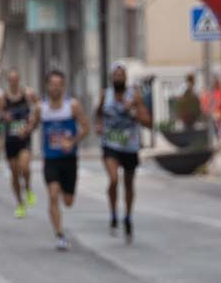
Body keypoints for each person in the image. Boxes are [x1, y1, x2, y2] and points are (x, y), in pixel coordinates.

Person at [28, 70, 91, 251]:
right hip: (51, 159)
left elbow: (86, 127)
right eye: (52, 84)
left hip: (69, 159)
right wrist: (26, 129)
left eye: (58, 85)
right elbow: (32, 125)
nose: (55, 88)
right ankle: (59, 235)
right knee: (53, 195)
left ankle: (65, 188)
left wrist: (72, 141)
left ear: (63, 87)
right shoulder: (42, 108)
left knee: (69, 202)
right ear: (47, 86)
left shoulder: (72, 106)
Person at [97, 63, 151, 243]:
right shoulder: (105, 95)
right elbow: (97, 113)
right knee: (113, 179)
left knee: (128, 184)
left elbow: (148, 122)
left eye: (121, 75)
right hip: (110, 143)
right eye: (115, 75)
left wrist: (133, 111)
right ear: (111, 78)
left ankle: (127, 216)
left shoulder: (134, 96)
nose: (118, 78)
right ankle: (113, 213)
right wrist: (98, 124)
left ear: (126, 78)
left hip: (130, 145)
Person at [0, 69, 38, 218]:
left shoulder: (28, 94)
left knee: (25, 168)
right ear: (8, 81)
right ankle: (20, 204)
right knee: (14, 174)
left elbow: (39, 109)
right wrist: (2, 116)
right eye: (11, 79)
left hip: (24, 138)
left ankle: (28, 188)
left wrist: (31, 124)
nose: (13, 82)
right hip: (10, 140)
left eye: (16, 79)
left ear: (19, 79)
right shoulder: (3, 98)